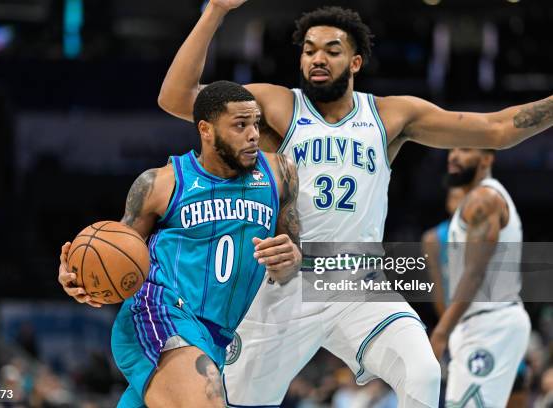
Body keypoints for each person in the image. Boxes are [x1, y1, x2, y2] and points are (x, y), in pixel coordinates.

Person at [157, 1, 553, 406]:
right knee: (235, 401)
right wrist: (215, 12)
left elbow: (498, 129)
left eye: (332, 49)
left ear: (356, 62)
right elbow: (176, 98)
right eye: (309, 49)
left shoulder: (389, 114)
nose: (317, 58)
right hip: (283, 284)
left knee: (423, 371)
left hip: (357, 283)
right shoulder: (275, 105)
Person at [57, 81, 302, 407]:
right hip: (161, 314)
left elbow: (292, 253)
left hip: (217, 338)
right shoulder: (160, 183)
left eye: (256, 123)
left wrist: (292, 258)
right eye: (240, 125)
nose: (254, 134)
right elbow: (116, 250)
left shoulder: (280, 173)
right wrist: (78, 275)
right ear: (206, 130)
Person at [430, 148, 530, 407]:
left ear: (487, 158)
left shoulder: (484, 199)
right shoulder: (472, 201)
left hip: (490, 324)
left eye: (464, 149)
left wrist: (440, 334)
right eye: (452, 148)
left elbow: (475, 273)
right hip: (478, 324)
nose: (453, 155)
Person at [422, 187, 465, 318]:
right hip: (449, 314)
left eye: (466, 198)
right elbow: (437, 287)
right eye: (456, 198)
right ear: (448, 202)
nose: (461, 203)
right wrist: (446, 324)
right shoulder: (433, 239)